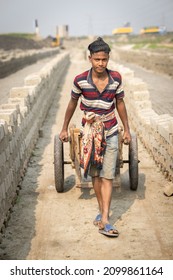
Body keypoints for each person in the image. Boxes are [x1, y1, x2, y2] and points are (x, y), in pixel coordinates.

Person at [59, 37, 131, 237]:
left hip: (110, 129)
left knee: (108, 175)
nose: (101, 63)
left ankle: (106, 219)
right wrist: (64, 128)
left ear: (108, 59)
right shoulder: (80, 80)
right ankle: (102, 211)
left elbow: (120, 104)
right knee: (96, 176)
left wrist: (127, 129)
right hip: (90, 133)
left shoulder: (116, 78)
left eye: (104, 60)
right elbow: (72, 104)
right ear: (90, 58)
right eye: (97, 59)